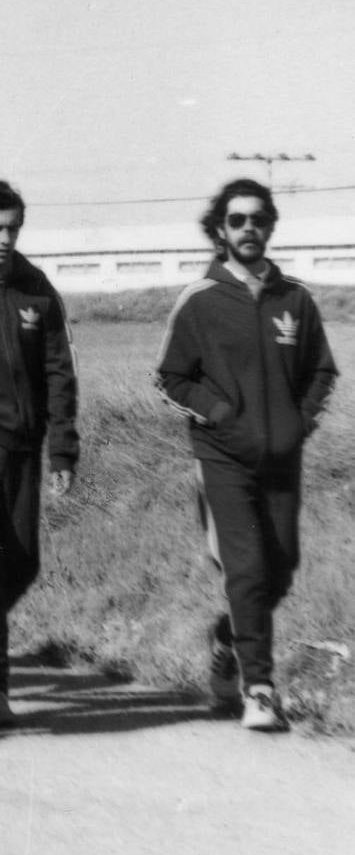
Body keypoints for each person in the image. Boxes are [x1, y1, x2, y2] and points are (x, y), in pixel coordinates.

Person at [156, 178, 337, 732]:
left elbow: (322, 371)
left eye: (258, 219)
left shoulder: (295, 299)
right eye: (237, 220)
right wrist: (221, 414)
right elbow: (170, 378)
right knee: (247, 569)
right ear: (220, 230)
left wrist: (297, 423)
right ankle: (260, 689)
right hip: (222, 459)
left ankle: (227, 642)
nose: (249, 229)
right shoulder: (200, 300)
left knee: (281, 570)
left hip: (283, 460)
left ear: (270, 227)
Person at [0, 178, 80, 727]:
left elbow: (59, 372)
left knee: (23, 561)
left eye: (12, 229)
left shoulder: (36, 289)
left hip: (25, 449)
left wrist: (64, 451)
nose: (4, 239)